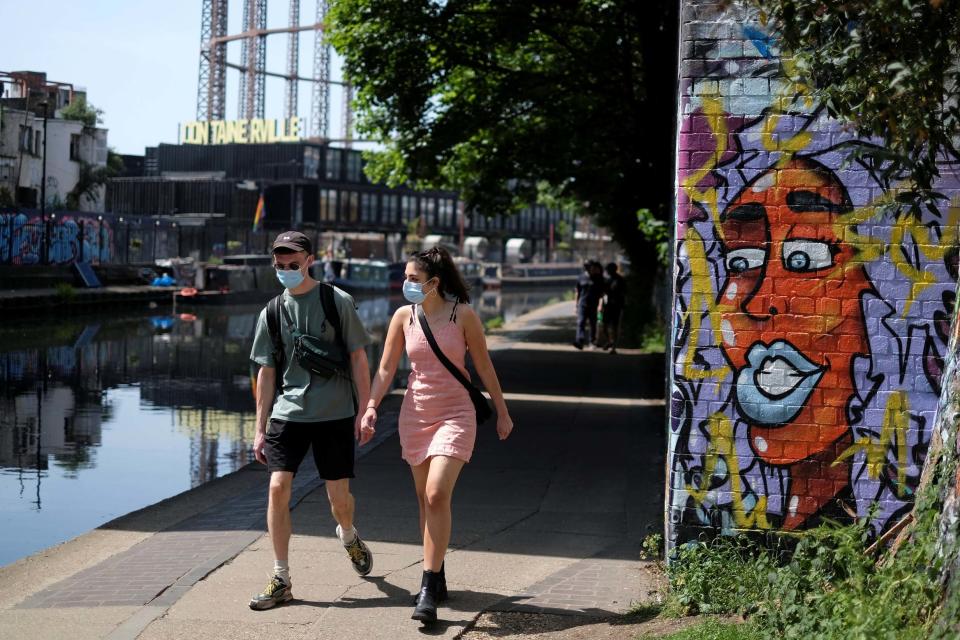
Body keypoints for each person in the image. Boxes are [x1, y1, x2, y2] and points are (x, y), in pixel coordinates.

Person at [361, 246, 514, 625]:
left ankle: (427, 586)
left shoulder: (463, 316)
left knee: (436, 493)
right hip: (416, 414)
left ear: (434, 283)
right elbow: (384, 368)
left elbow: (484, 366)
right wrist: (370, 407)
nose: (406, 284)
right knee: (424, 501)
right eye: (405, 278)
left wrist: (502, 411)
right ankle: (438, 571)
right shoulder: (402, 317)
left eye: (413, 279)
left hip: (455, 414)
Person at [248, 230, 375, 610]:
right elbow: (266, 372)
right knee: (277, 489)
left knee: (339, 500)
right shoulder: (271, 311)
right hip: (288, 414)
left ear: (309, 260)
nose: (285, 269)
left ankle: (349, 534)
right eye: (279, 264)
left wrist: (366, 410)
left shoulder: (336, 301)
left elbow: (358, 358)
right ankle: (281, 577)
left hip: (335, 412)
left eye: (292, 263)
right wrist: (259, 429)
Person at [573, 260, 604, 349]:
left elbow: (602, 293)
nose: (589, 268)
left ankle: (592, 341)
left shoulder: (598, 278)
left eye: (590, 266)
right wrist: (576, 305)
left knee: (593, 324)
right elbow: (577, 292)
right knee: (580, 322)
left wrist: (600, 305)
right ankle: (579, 341)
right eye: (587, 266)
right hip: (582, 304)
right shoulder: (581, 277)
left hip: (594, 304)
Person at [601, 263, 627, 354]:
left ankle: (613, 347)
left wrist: (623, 306)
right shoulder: (607, 280)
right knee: (604, 325)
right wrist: (602, 305)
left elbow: (624, 293)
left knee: (615, 327)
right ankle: (610, 341)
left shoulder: (620, 280)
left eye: (608, 269)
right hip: (608, 306)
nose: (608, 271)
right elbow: (603, 293)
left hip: (617, 306)